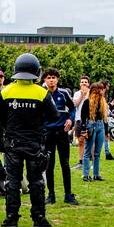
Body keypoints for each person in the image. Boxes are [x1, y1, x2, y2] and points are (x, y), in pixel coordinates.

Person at [0, 53, 53, 227]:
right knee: (36, 181)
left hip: (12, 144)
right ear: (37, 71)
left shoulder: (6, 92)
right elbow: (54, 116)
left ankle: (11, 218)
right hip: (35, 144)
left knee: (12, 181)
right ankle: (39, 218)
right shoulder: (42, 93)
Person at [42, 68, 77, 205]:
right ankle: (51, 195)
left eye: (54, 77)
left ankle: (68, 195)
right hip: (48, 134)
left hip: (62, 133)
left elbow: (73, 108)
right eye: (49, 77)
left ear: (57, 79)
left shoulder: (63, 93)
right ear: (45, 80)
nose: (51, 80)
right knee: (49, 165)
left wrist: (70, 119)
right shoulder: (42, 94)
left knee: (65, 164)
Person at [79, 80, 108, 181]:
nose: (101, 92)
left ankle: (96, 174)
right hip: (90, 125)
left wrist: (106, 131)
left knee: (97, 152)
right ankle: (86, 174)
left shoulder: (103, 102)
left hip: (100, 125)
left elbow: (105, 118)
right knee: (88, 152)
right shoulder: (87, 102)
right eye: (99, 90)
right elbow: (82, 117)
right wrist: (84, 130)